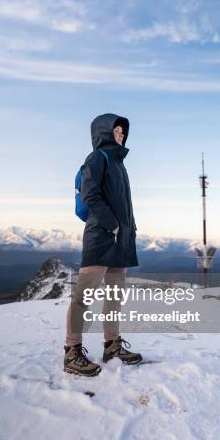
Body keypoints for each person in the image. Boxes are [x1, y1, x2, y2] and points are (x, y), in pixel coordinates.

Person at [64, 113, 142, 376]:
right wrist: (113, 225)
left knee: (114, 297)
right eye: (116, 131)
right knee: (83, 297)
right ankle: (72, 352)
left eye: (123, 131)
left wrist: (129, 231)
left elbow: (123, 203)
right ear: (105, 132)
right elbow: (90, 194)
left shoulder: (119, 164)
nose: (121, 135)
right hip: (100, 235)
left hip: (120, 240)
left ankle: (112, 346)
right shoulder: (98, 158)